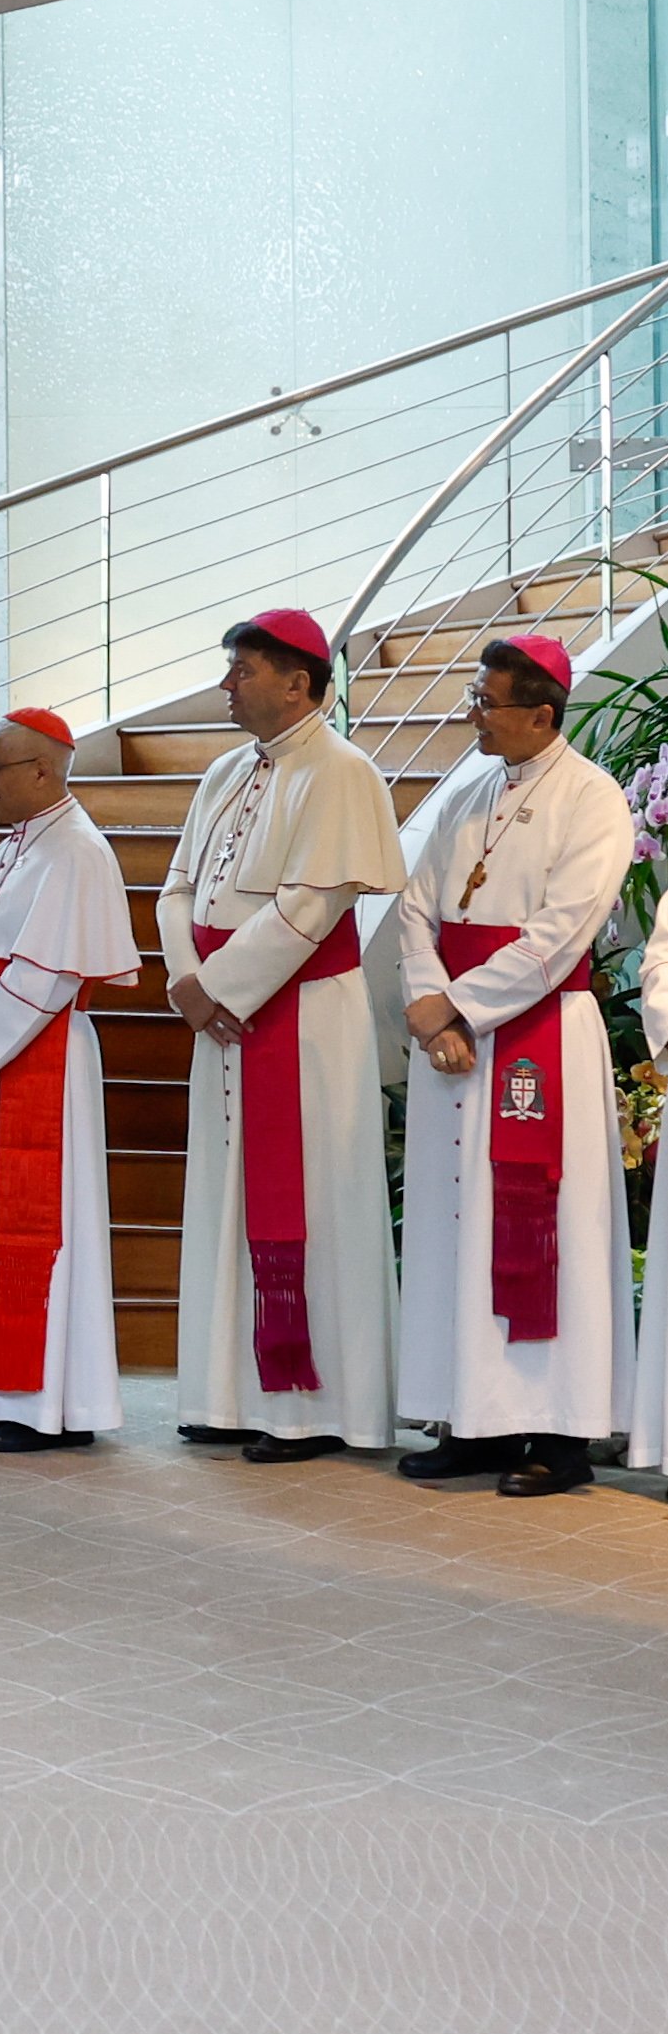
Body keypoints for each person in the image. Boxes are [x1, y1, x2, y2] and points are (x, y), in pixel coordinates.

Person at [159, 610, 406, 1463]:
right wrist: (185, 984)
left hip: (299, 1015)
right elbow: (174, 887)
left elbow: (311, 905)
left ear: (297, 681)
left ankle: (311, 1407)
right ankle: (224, 1392)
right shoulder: (228, 769)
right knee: (224, 1200)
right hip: (222, 1012)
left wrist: (215, 985)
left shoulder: (341, 772)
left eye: (242, 670)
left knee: (308, 1200)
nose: (226, 685)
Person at [394, 637, 636, 1496]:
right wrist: (430, 1014)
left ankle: (554, 1433)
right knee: (452, 1227)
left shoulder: (594, 799)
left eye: (485, 701)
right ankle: (471, 1418)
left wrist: (454, 1005)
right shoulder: (466, 793)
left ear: (540, 712)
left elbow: (562, 931)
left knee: (545, 1225)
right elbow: (414, 908)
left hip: (539, 1037)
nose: (472, 714)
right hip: (454, 1046)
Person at [0, 711, 140, 1452]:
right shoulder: (14, 848)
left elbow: (49, 974)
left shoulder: (75, 852)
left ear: (41, 770)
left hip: (37, 1060)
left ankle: (41, 1403)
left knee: (35, 1229)